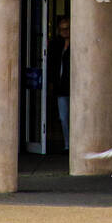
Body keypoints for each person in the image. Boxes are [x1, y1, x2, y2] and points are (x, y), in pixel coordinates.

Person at [48, 16, 71, 152]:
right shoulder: (56, 45)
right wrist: (52, 82)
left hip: (73, 86)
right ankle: (67, 143)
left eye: (67, 28)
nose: (65, 32)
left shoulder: (76, 43)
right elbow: (51, 64)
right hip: (60, 86)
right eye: (62, 29)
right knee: (63, 117)